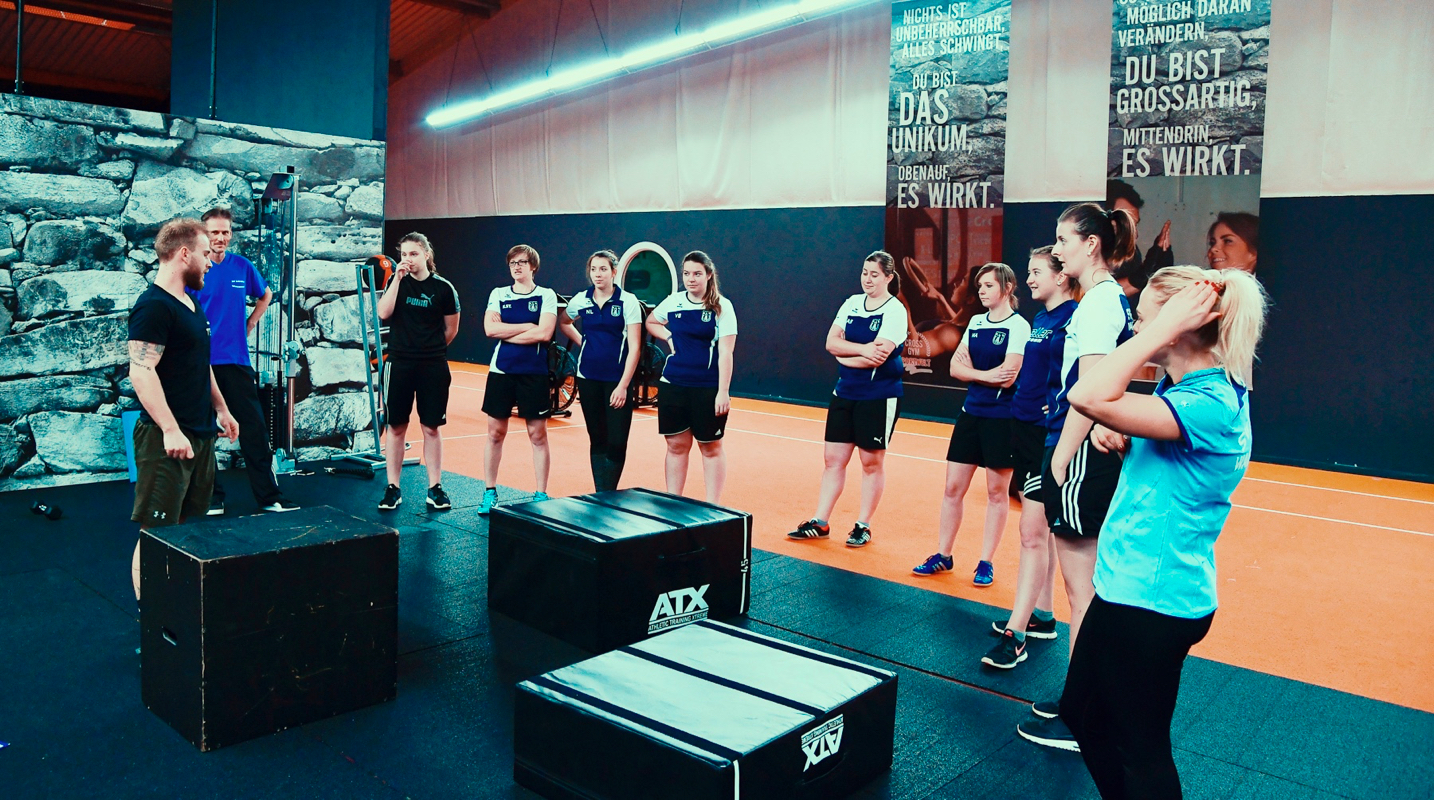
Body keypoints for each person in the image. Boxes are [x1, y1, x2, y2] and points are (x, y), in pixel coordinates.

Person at [1059, 266, 1267, 796]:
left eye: (1144, 322)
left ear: (1179, 330)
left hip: (1152, 604)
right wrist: (1128, 435)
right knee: (1082, 714)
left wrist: (1159, 330)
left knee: (1140, 751)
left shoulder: (1209, 402)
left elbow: (1087, 395)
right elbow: (1123, 414)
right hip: (1129, 591)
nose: (1135, 332)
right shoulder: (1191, 390)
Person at [1018, 202, 1137, 751]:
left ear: (1091, 245)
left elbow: (1086, 397)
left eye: (1064, 239)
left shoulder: (1097, 306)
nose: (1057, 248)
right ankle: (1083, 697)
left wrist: (1061, 460)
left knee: (1080, 590)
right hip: (1078, 449)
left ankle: (1082, 714)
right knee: (1081, 588)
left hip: (1079, 453)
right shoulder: (1103, 301)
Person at [128, 217, 240, 601]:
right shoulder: (154, 307)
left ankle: (172, 610)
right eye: (206, 254)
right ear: (184, 254)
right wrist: (170, 429)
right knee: (156, 533)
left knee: (181, 526)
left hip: (200, 433)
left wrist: (221, 409)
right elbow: (141, 371)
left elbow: (199, 361)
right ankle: (152, 621)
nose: (211, 262)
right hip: (168, 439)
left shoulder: (189, 302)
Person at [981, 247, 1077, 669]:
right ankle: (1042, 614)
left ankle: (1016, 634)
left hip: (1046, 436)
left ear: (1061, 276)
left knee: (1031, 531)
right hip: (1023, 431)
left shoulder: (1074, 318)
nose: (1030, 279)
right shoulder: (1042, 319)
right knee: (1039, 531)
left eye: (1037, 271)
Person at [912, 263, 1029, 586]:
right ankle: (943, 555)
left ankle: (985, 562)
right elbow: (954, 367)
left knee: (996, 493)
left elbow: (1009, 377)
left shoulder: (1019, 326)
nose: (981, 290)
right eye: (979, 285)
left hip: (1002, 421)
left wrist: (977, 374)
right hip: (970, 415)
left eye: (988, 285)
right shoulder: (976, 322)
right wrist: (984, 376)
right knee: (952, 489)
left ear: (1007, 288)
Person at [786, 251, 908, 548]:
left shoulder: (895, 311)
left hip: (879, 396)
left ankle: (863, 526)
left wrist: (850, 353)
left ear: (889, 278)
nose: (868, 279)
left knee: (870, 462)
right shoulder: (851, 303)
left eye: (874, 274)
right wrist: (863, 350)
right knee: (833, 460)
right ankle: (821, 521)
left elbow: (877, 357)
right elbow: (831, 343)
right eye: (865, 272)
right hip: (845, 393)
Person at [190, 207, 297, 515]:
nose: (220, 238)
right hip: (201, 364)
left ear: (231, 234)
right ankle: (212, 497)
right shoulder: (196, 270)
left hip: (235, 360)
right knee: (203, 431)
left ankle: (269, 497)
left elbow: (266, 294)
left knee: (253, 429)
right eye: (214, 232)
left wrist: (250, 324)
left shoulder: (242, 266)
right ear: (204, 234)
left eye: (225, 232)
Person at [375, 232, 461, 512]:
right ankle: (393, 488)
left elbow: (451, 330)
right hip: (399, 363)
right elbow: (383, 313)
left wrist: (429, 349)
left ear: (426, 254)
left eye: (413, 254)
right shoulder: (395, 282)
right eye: (404, 254)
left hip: (432, 365)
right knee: (396, 426)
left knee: (431, 427)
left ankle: (435, 488)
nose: (408, 259)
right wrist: (397, 279)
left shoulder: (444, 289)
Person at [646, 251, 737, 504]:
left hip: (707, 387)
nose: (691, 279)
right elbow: (651, 321)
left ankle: (713, 507)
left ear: (709, 275)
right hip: (673, 384)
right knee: (675, 446)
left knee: (710, 447)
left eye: (697, 274)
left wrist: (723, 391)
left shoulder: (722, 306)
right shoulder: (674, 302)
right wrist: (669, 337)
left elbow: (726, 352)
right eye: (686, 274)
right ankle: (674, 503)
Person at [480, 244, 558, 513]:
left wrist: (508, 332)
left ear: (533, 266)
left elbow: (544, 334)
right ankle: (489, 492)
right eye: (513, 262)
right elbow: (490, 329)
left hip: (533, 373)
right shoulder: (499, 294)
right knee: (495, 433)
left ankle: (540, 494)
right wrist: (526, 326)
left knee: (537, 435)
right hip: (501, 371)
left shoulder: (546, 296)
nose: (517, 267)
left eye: (522, 262)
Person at [557, 249, 644, 492]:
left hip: (617, 382)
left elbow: (635, 347)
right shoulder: (581, 300)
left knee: (617, 441)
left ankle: (608, 492)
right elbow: (564, 321)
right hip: (588, 379)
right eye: (593, 269)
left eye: (603, 269)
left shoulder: (628, 302)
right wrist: (583, 340)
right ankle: (601, 495)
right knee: (597, 440)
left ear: (614, 272)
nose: (598, 274)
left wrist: (623, 386)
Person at [1105, 179, 1173, 297]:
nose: (1134, 234)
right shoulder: (1079, 252)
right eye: (1125, 224)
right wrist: (1142, 275)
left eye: (1134, 225)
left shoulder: (1131, 253)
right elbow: (1096, 295)